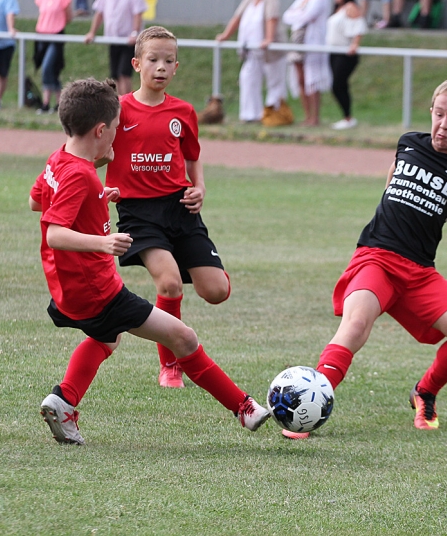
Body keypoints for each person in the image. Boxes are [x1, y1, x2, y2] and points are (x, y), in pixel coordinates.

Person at [30, 77, 270, 445]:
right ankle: (245, 408)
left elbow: (37, 201)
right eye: (115, 129)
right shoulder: (80, 174)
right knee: (183, 337)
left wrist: (98, 197)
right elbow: (55, 234)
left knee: (106, 339)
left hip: (67, 287)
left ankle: (63, 400)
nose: (116, 137)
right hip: (97, 289)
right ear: (100, 130)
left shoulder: (59, 160)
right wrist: (103, 241)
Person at [283, 78, 447, 439]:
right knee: (355, 325)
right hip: (376, 257)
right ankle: (309, 409)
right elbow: (391, 183)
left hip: (419, 271)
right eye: (438, 114)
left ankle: (425, 392)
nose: (443, 124)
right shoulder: (408, 142)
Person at [102, 27, 234, 389]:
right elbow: (94, 153)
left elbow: (192, 157)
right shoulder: (118, 110)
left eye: (168, 60)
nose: (161, 67)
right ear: (136, 64)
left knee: (217, 292)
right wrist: (102, 184)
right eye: (153, 59)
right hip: (139, 214)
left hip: (180, 209)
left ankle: (203, 268)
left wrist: (200, 187)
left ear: (176, 67)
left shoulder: (183, 112)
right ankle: (171, 365)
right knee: (170, 283)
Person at [215, 0, 293, 127]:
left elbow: (272, 18)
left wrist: (269, 38)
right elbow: (237, 17)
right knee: (247, 79)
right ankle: (251, 114)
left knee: (275, 82)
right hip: (252, 50)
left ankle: (274, 114)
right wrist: (225, 35)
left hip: (271, 52)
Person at [85, 0, 148, 96]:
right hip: (113, 38)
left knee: (124, 72)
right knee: (115, 74)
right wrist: (92, 32)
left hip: (129, 40)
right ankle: (119, 101)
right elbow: (99, 13)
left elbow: (138, 14)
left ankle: (127, 100)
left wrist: (134, 33)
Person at [283, 0, 331, 127]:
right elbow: (287, 16)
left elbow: (308, 16)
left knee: (313, 81)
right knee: (301, 80)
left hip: (312, 42)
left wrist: (298, 15)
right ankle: (307, 115)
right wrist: (300, 15)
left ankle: (315, 117)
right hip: (298, 42)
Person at [327, 0, 367, 130]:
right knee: (338, 85)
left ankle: (348, 117)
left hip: (345, 53)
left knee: (338, 84)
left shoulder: (350, 7)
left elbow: (359, 26)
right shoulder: (338, 9)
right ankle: (346, 117)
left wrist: (355, 44)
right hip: (334, 51)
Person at [33, 0, 72, 114]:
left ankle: (51, 101)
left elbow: (68, 16)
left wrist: (58, 24)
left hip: (56, 35)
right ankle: (52, 102)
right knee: (48, 69)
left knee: (49, 67)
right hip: (42, 34)